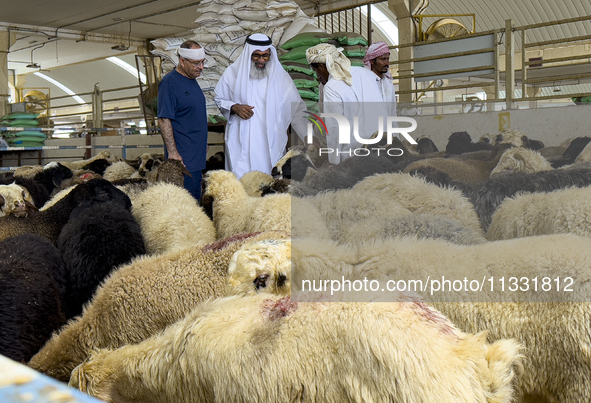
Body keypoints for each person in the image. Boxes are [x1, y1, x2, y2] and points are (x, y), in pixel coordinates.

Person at [214, 33, 307, 179]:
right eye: (256, 56)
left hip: (270, 145)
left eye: (266, 55)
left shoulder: (280, 78)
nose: (262, 60)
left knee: (270, 186)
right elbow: (219, 98)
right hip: (241, 142)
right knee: (242, 186)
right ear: (248, 53)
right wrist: (234, 107)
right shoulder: (232, 73)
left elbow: (296, 109)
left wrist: (307, 136)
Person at [306, 43, 387, 164]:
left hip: (354, 154)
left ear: (322, 66)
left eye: (316, 71)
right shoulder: (365, 74)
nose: (317, 76)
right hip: (381, 147)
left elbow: (335, 129)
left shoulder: (331, 87)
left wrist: (333, 163)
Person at [157, 40, 208, 200]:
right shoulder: (170, 82)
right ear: (182, 61)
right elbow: (164, 119)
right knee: (186, 206)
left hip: (196, 158)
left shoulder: (192, 81)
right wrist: (172, 153)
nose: (201, 67)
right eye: (196, 63)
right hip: (183, 162)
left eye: (202, 62)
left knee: (196, 201)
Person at [364, 41, 397, 117]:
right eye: (383, 59)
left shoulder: (388, 82)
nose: (387, 63)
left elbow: (392, 111)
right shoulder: (366, 81)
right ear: (372, 61)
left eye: (388, 59)